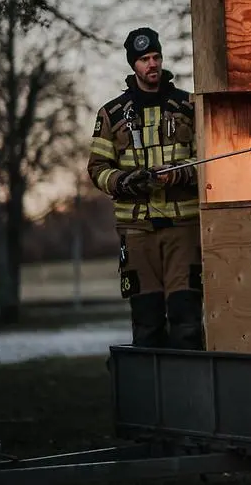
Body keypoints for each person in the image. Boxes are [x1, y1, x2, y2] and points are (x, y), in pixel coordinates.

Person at [87, 27, 204, 350]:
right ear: (133, 65)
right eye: (143, 60)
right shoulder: (111, 115)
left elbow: (209, 160)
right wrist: (125, 181)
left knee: (187, 320)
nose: (151, 64)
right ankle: (154, 395)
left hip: (184, 229)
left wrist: (180, 175)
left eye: (155, 57)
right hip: (137, 232)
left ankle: (191, 391)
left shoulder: (189, 106)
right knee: (147, 322)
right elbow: (97, 169)